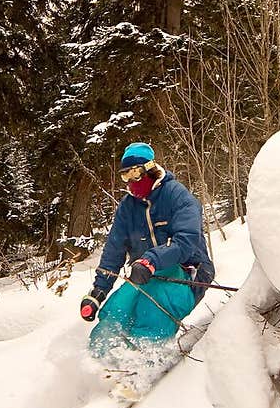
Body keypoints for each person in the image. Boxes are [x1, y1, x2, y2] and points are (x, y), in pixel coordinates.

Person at [79, 142, 215, 360]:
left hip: (188, 270)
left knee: (154, 305)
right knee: (117, 308)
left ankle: (144, 360)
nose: (131, 182)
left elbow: (186, 240)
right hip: (144, 273)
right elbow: (113, 251)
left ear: (150, 170)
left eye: (135, 173)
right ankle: (100, 361)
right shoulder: (128, 207)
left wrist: (151, 260)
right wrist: (98, 291)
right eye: (125, 176)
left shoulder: (177, 196)